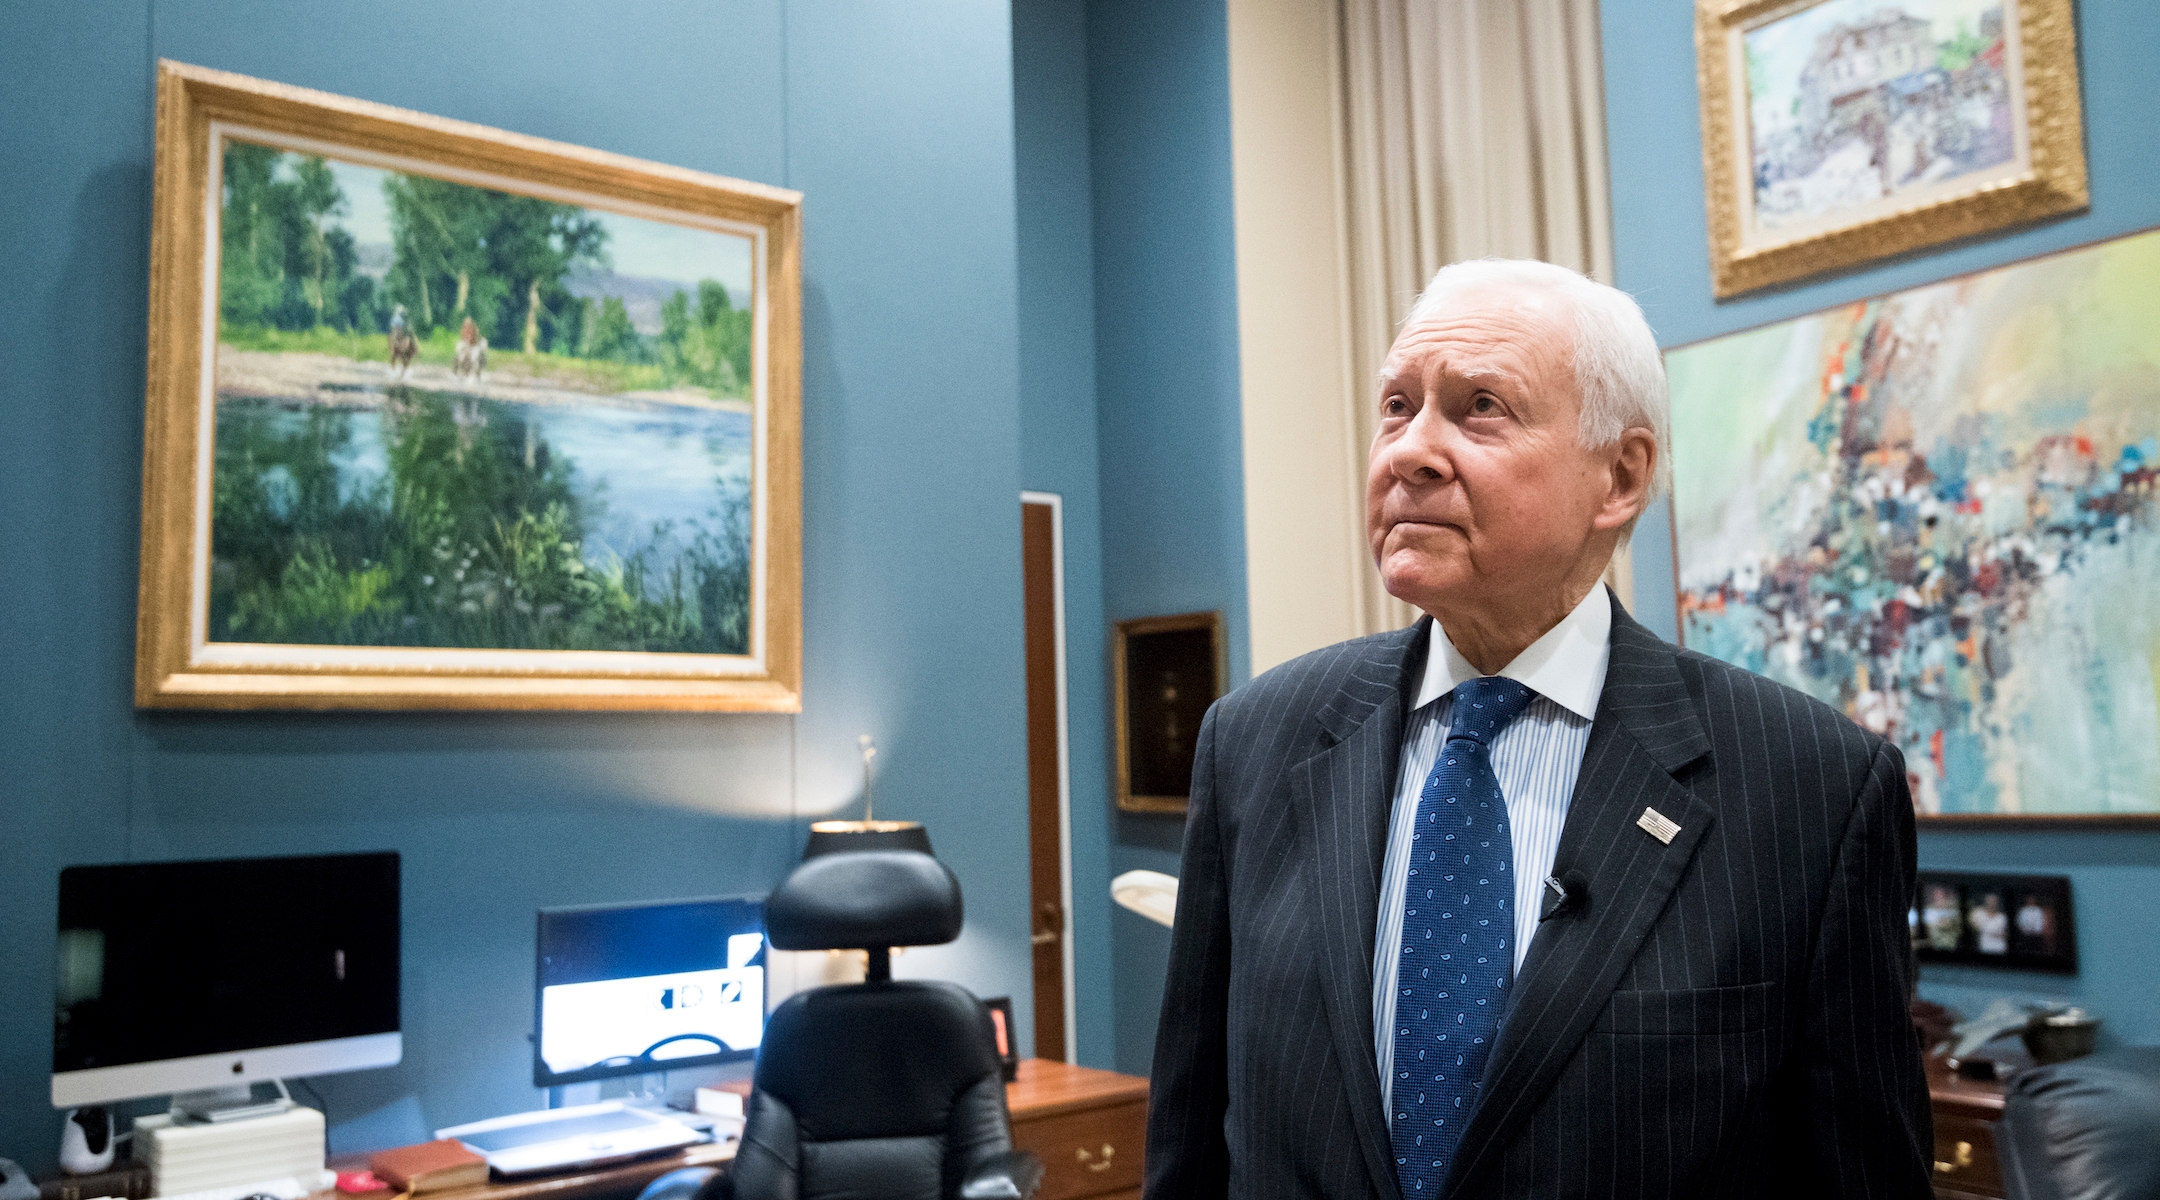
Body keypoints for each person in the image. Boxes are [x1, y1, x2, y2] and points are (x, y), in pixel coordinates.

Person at [1144, 260, 1932, 1200]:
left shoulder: (1812, 786)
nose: (1411, 452)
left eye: (1480, 407)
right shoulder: (1255, 742)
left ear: (1621, 476)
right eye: (1397, 407)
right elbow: (1191, 1144)